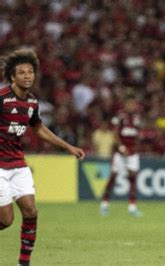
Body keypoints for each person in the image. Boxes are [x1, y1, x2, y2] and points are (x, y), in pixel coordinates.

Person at [0, 49, 85, 266]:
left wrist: (68, 147)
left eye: (30, 72)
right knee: (5, 220)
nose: (27, 76)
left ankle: (24, 263)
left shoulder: (31, 103)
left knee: (31, 212)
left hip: (18, 164)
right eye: (22, 72)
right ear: (12, 76)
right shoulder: (2, 99)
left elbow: (39, 129)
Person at [100, 95, 143, 217]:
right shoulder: (119, 116)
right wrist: (120, 147)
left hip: (132, 152)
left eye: (134, 104)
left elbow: (138, 133)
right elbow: (114, 133)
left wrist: (137, 146)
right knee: (113, 176)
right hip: (120, 152)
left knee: (133, 177)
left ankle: (132, 207)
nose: (132, 106)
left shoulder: (137, 117)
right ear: (126, 104)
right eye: (130, 103)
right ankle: (104, 203)